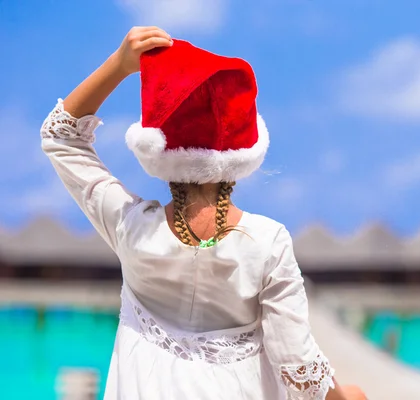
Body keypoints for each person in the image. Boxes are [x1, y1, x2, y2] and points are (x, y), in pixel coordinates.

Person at [40, 26, 367, 400]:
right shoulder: (267, 242)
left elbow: (60, 136)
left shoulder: (132, 228)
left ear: (158, 152)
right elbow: (297, 365)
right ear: (244, 155)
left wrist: (120, 64)